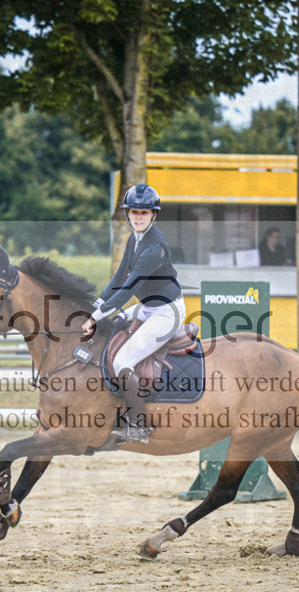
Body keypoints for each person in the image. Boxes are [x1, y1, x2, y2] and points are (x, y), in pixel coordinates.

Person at [82, 184, 185, 444]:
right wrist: (96, 306)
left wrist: (95, 318)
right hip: (148, 306)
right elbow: (118, 278)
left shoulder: (154, 248)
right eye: (134, 212)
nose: (138, 217)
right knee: (114, 328)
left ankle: (139, 426)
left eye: (144, 212)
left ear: (153, 215)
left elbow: (127, 289)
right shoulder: (134, 238)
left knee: (122, 362)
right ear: (128, 214)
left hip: (166, 312)